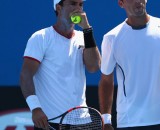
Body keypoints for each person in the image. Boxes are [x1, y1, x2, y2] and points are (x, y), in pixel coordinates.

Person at [98, 0, 160, 130]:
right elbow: (106, 80)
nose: (137, 1)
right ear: (121, 3)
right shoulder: (111, 38)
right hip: (130, 122)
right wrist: (106, 120)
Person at [20, 0, 101, 129]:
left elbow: (94, 67)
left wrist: (87, 29)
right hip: (50, 120)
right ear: (59, 7)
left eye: (81, 5)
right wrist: (35, 108)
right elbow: (26, 75)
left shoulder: (83, 37)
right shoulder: (41, 37)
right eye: (73, 4)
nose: (78, 9)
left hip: (81, 121)